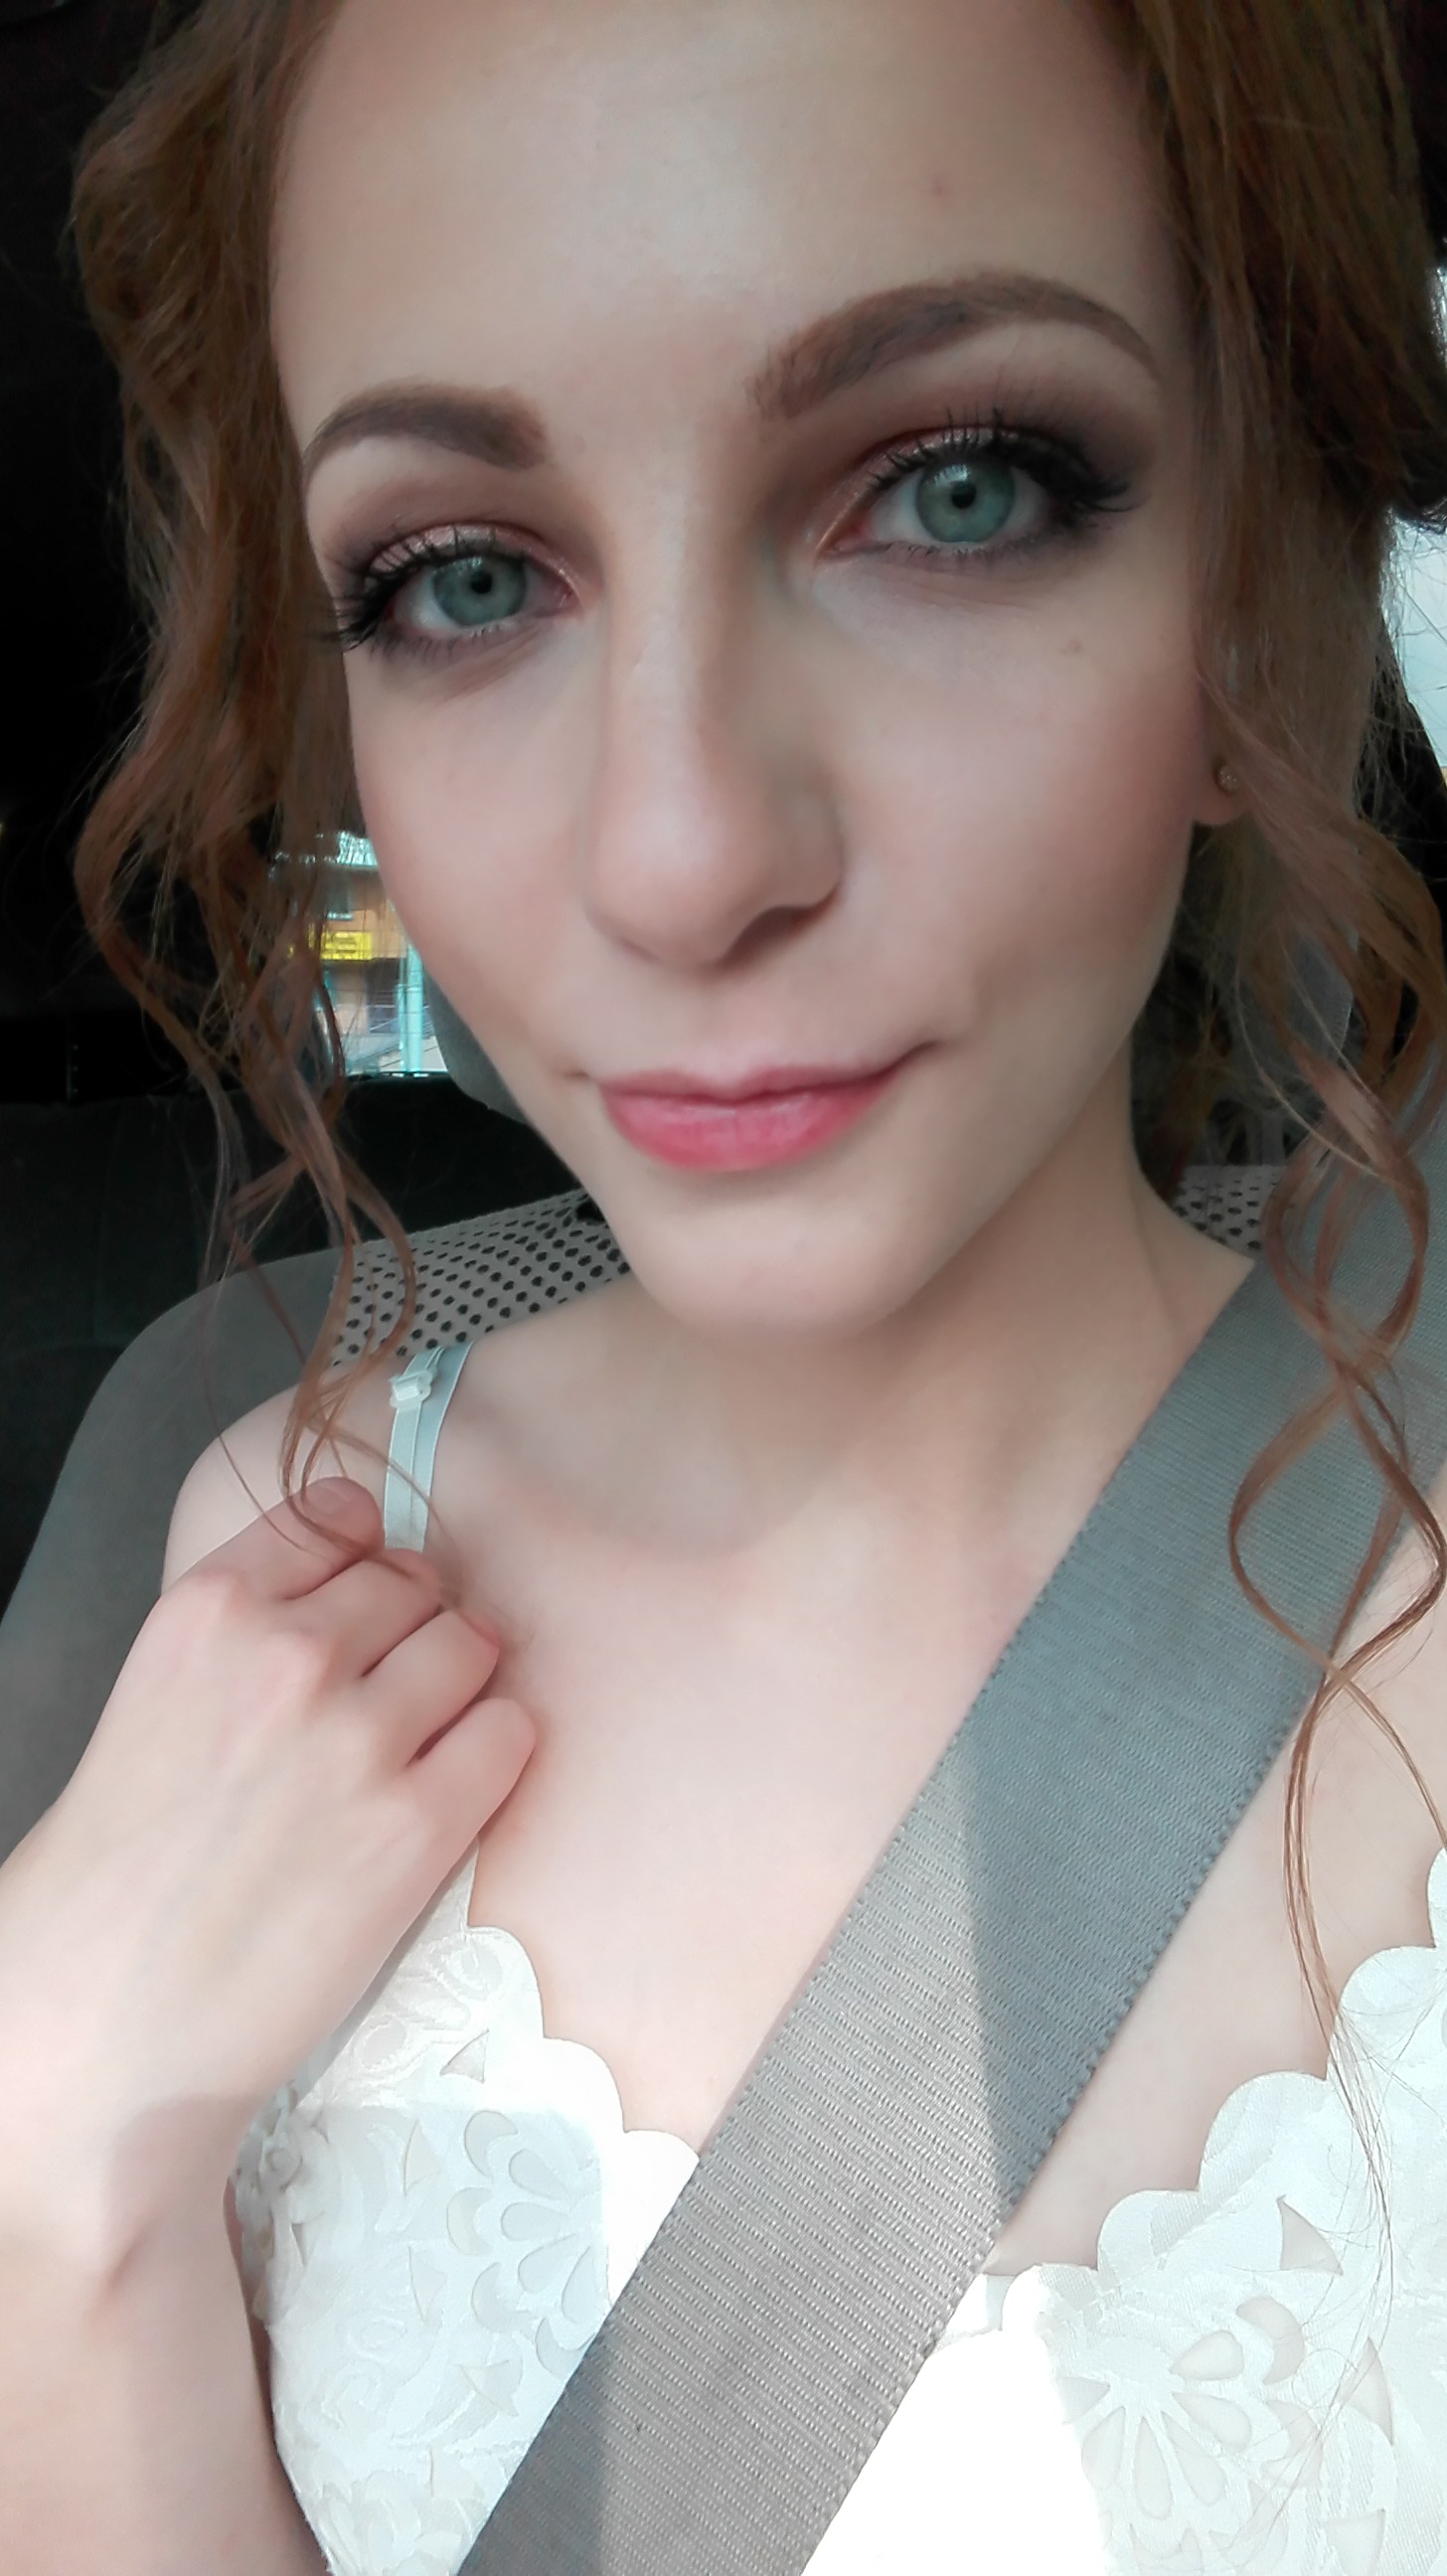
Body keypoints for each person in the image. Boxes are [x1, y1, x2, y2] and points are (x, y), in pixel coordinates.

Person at [2, 0, 1447, 2565]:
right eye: (463, 578)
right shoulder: (272, 1560)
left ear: (1257, 598)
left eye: (960, 490)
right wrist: (60, 2149)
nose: (678, 857)